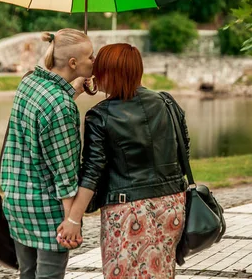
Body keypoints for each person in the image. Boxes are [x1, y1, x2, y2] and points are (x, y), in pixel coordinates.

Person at [57, 43, 188, 279]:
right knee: (160, 272)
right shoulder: (167, 102)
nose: (94, 75)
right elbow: (183, 149)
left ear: (111, 73)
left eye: (100, 70)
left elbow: (92, 171)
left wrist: (73, 218)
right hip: (172, 205)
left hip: (128, 211)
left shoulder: (100, 115)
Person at [1, 28, 95, 279]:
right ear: (73, 63)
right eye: (91, 57)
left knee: (28, 274)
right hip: (47, 209)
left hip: (18, 202)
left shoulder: (30, 80)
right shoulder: (61, 106)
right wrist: (70, 222)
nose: (94, 62)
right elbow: (65, 173)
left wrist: (75, 91)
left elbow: (43, 116)